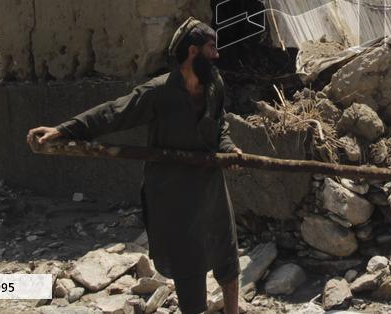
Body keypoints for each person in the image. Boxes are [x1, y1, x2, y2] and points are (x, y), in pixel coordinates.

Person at [27, 17, 243, 314]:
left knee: (227, 258)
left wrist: (229, 150)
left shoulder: (214, 85)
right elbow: (112, 113)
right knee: (189, 267)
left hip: (211, 187)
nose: (216, 55)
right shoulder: (158, 92)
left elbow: (220, 125)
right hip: (175, 194)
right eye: (211, 48)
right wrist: (64, 130)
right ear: (193, 52)